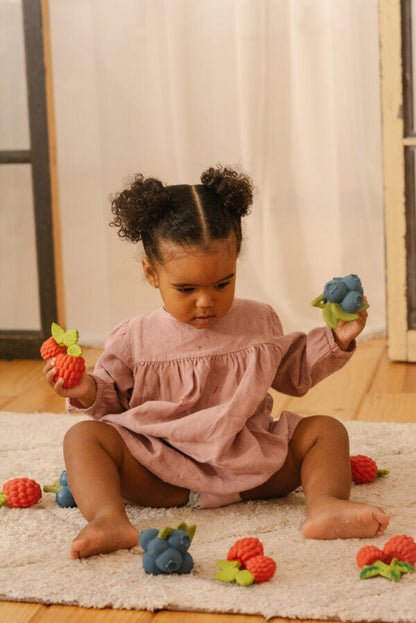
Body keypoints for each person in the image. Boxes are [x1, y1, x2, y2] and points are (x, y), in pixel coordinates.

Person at [43, 165, 389, 559]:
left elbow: (293, 370)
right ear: (151, 273)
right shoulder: (133, 337)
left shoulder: (259, 319)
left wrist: (337, 339)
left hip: (251, 467)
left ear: (236, 262)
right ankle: (108, 518)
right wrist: (85, 389)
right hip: (160, 473)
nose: (206, 301)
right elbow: (110, 401)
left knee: (326, 430)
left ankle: (326, 503)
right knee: (84, 438)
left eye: (222, 283)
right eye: (186, 289)